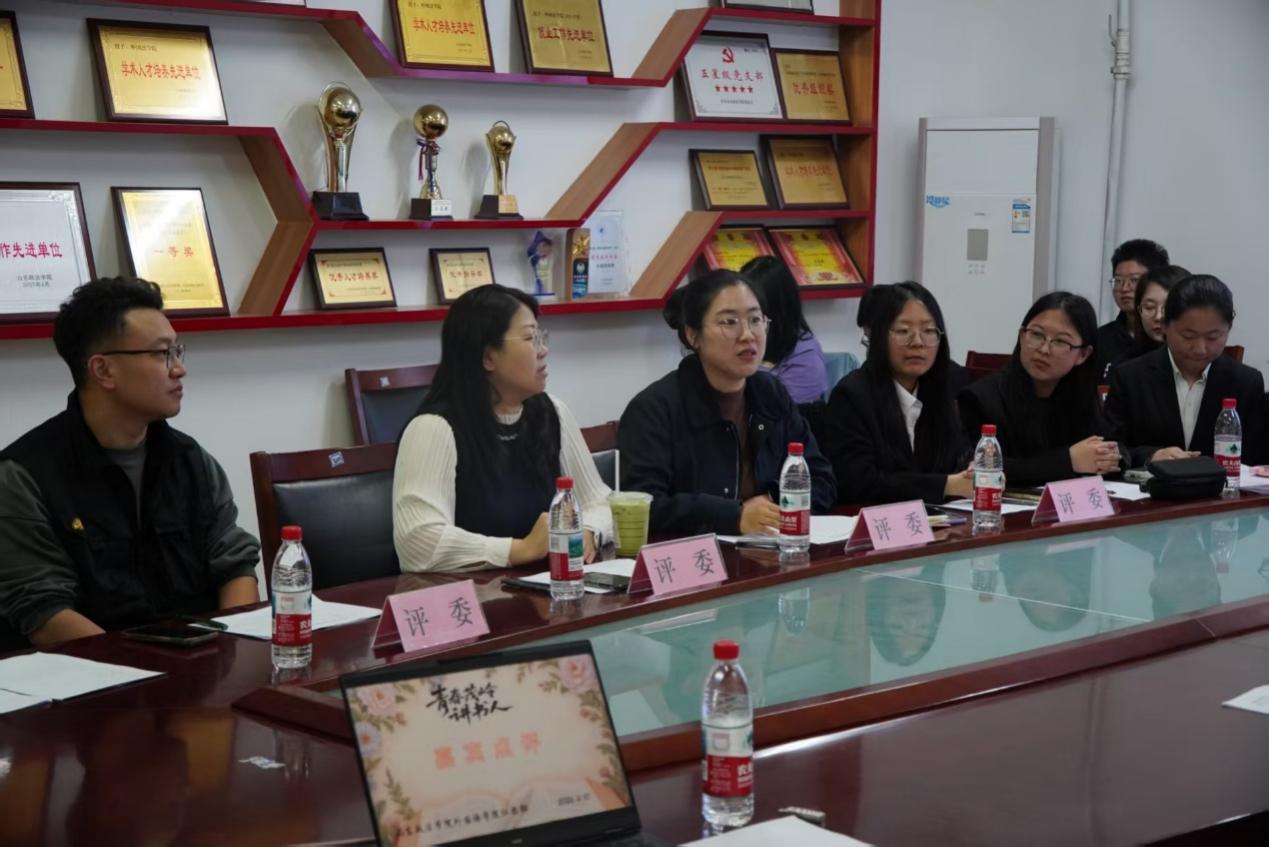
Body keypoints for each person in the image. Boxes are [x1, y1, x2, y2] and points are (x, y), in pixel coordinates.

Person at [0, 277, 260, 650]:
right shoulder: (24, 476)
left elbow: (234, 565)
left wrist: (232, 643)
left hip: (199, 666)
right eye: (161, 354)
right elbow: (42, 610)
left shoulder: (191, 461)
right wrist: (150, 671)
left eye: (178, 351)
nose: (178, 369)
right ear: (103, 370)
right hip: (90, 674)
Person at [393, 285, 611, 572]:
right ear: (488, 357)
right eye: (530, 338)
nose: (543, 350)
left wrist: (590, 530)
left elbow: (601, 501)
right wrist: (520, 550)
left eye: (541, 337)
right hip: (472, 594)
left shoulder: (552, 412)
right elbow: (417, 541)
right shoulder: (433, 428)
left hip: (547, 588)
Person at [619, 269, 835, 536]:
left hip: (772, 546)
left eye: (755, 320)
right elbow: (643, 507)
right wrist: (734, 516)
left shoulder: (771, 394)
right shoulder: (653, 410)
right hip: (697, 556)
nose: (748, 335)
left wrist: (771, 507)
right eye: (730, 322)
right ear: (693, 335)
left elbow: (821, 479)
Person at [824, 282, 971, 504]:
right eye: (903, 331)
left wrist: (972, 469)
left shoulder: (944, 387)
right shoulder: (852, 395)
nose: (918, 342)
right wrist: (946, 485)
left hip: (941, 519)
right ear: (879, 337)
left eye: (928, 331)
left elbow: (960, 455)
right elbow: (859, 482)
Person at [959, 292, 1120, 486]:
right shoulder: (979, 399)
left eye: (1060, 342)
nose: (1044, 349)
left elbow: (1112, 447)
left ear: (1083, 355)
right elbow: (977, 468)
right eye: (1036, 335)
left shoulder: (1080, 396)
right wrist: (1068, 461)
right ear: (1022, 336)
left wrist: (1108, 457)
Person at [1106, 274, 1265, 467]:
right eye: (1188, 336)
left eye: (1213, 337)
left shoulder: (1246, 382)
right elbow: (1111, 448)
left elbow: (1256, 458)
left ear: (1228, 329)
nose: (1200, 349)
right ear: (1165, 326)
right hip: (1151, 484)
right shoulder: (1130, 377)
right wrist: (1150, 456)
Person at [740, 256, 827, 406]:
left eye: (753, 312)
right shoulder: (741, 340)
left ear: (774, 310)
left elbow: (786, 415)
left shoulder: (805, 357)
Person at [1096, 238, 1170, 380]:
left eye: (1134, 280)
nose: (1124, 288)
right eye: (1118, 281)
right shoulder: (1100, 339)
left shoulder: (1170, 336)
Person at [1131, 264, 1191, 358]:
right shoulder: (1125, 365)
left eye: (1168, 307)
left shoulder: (1208, 360)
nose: (1158, 317)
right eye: (1149, 307)